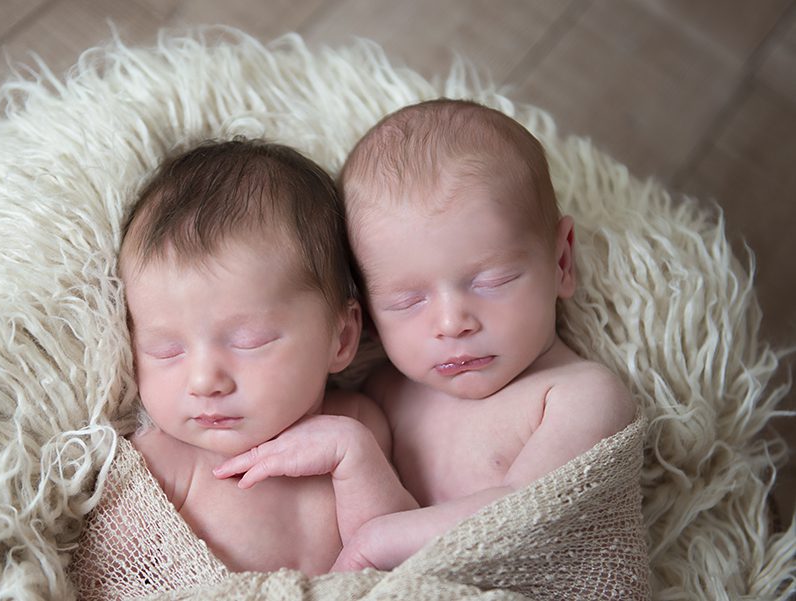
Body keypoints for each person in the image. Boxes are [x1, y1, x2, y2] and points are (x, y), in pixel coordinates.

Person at [221, 99, 636, 571]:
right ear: (368, 318)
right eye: (407, 302)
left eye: (491, 281)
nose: (451, 323)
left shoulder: (577, 394)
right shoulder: (384, 395)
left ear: (561, 263)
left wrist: (377, 540)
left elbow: (525, 516)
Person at [119, 139, 416, 575]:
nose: (204, 381)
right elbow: (109, 580)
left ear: (341, 337)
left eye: (249, 341)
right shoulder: (160, 463)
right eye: (167, 349)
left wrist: (355, 457)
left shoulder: (359, 425)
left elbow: (410, 564)